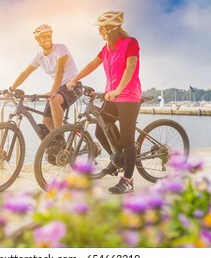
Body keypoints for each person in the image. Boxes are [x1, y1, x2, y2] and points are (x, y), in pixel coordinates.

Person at [67, 11, 141, 194]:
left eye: (101, 28)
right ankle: (118, 159)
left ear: (109, 30)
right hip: (112, 96)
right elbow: (92, 64)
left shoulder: (131, 43)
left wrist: (118, 90)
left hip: (128, 97)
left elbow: (130, 67)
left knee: (127, 138)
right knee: (101, 130)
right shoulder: (106, 48)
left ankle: (128, 180)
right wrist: (74, 79)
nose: (99, 31)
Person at [10, 24, 83, 132]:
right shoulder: (39, 56)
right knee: (46, 120)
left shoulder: (60, 48)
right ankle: (60, 144)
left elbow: (60, 70)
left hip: (73, 86)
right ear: (38, 40)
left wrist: (53, 91)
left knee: (54, 100)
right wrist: (11, 88)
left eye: (49, 36)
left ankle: (58, 134)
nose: (48, 39)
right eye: (44, 37)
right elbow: (25, 73)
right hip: (58, 88)